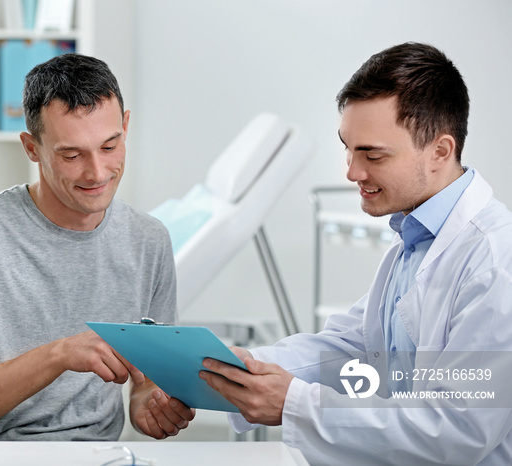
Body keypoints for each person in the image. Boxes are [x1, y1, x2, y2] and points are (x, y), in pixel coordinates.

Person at [200, 42, 512, 464]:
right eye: (348, 147)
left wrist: (294, 404)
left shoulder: (494, 262)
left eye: (373, 155)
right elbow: (353, 349)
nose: (352, 171)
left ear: (440, 151)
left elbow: (456, 428)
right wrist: (244, 368)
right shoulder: (417, 240)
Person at [0, 53, 194, 441]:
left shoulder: (149, 239)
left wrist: (148, 403)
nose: (97, 173)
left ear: (125, 127)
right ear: (32, 148)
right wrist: (59, 355)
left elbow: (146, 383)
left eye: (110, 147)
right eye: (71, 155)